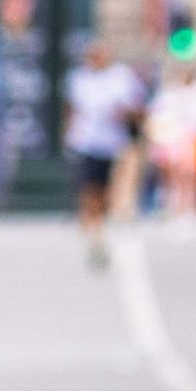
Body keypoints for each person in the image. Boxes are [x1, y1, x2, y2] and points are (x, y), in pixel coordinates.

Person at [64, 42, 145, 263]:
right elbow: (71, 109)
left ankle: (102, 223)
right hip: (85, 142)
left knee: (109, 191)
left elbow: (138, 110)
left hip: (112, 144)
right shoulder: (79, 79)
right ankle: (92, 230)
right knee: (89, 188)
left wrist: (125, 114)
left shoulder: (121, 78)